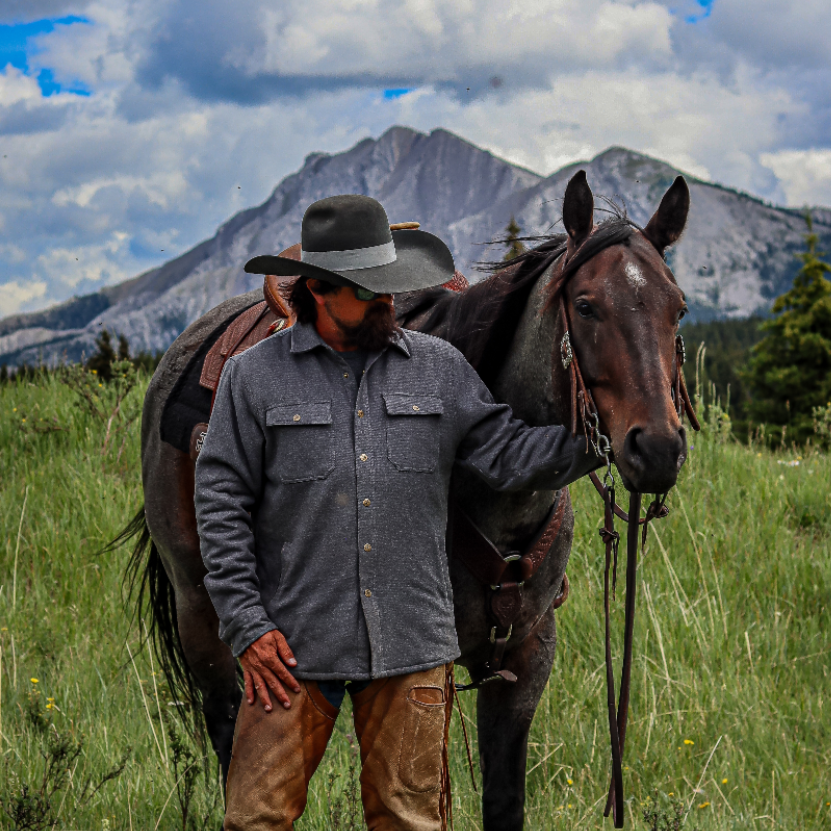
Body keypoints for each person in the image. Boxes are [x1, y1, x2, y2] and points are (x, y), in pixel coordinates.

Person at [194, 194, 601, 831]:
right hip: (290, 653)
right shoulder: (253, 379)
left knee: (410, 823)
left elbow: (507, 454)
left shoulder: (440, 370)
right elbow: (219, 502)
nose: (391, 299)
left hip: (413, 649)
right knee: (256, 821)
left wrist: (594, 441)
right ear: (320, 291)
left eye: (391, 284)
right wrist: (246, 624)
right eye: (371, 289)